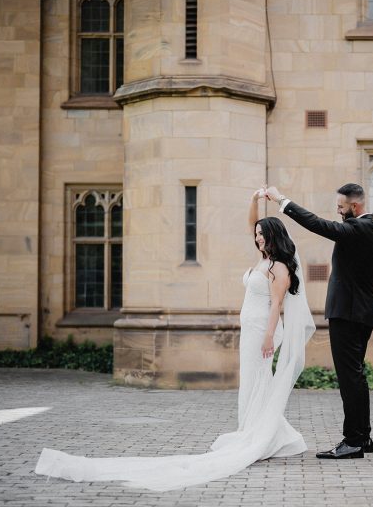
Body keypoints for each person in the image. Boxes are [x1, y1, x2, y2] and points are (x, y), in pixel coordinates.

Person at [34, 189, 315, 492]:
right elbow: (251, 224)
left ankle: (259, 434)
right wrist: (254, 200)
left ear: (273, 235)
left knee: (259, 378)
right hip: (251, 330)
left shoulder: (278, 268)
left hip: (263, 330)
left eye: (262, 234)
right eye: (257, 234)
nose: (257, 238)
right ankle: (262, 430)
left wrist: (269, 336)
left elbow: (276, 305)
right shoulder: (263, 259)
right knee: (252, 379)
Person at [264, 183, 373, 459]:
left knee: (349, 378)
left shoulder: (358, 229)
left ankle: (353, 441)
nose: (338, 211)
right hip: (361, 313)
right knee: (356, 376)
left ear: (355, 206)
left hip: (348, 313)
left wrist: (282, 200)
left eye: (341, 207)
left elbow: (318, 224)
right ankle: (363, 437)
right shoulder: (372, 230)